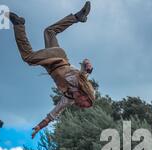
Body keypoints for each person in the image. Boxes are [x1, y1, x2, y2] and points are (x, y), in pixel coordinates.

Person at [7, 1, 96, 139]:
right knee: (29, 57)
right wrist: (88, 65)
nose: (80, 105)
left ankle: (78, 17)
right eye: (84, 104)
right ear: (86, 97)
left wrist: (39, 126)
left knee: (49, 31)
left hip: (52, 63)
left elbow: (53, 113)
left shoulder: (69, 98)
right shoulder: (80, 81)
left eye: (82, 107)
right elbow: (85, 67)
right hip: (57, 59)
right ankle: (19, 25)